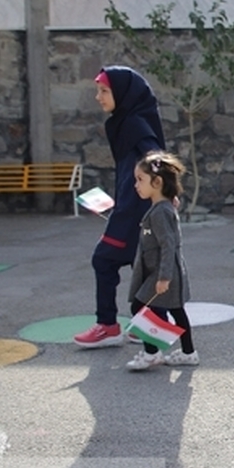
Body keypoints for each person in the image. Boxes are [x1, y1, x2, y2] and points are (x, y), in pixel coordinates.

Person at [74, 66, 166, 348]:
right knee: (144, 266)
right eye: (98, 90)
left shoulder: (134, 125)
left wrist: (162, 191)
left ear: (123, 94)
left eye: (104, 91)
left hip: (133, 214)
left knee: (104, 260)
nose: (98, 97)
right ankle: (147, 326)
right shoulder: (127, 121)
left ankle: (109, 326)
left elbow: (155, 159)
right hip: (131, 208)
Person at [125, 151, 198, 370]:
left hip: (164, 272)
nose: (136, 185)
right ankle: (188, 353)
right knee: (176, 311)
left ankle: (151, 353)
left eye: (140, 180)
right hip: (164, 270)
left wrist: (164, 277)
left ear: (157, 182)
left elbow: (168, 244)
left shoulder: (160, 212)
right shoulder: (162, 208)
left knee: (140, 305)